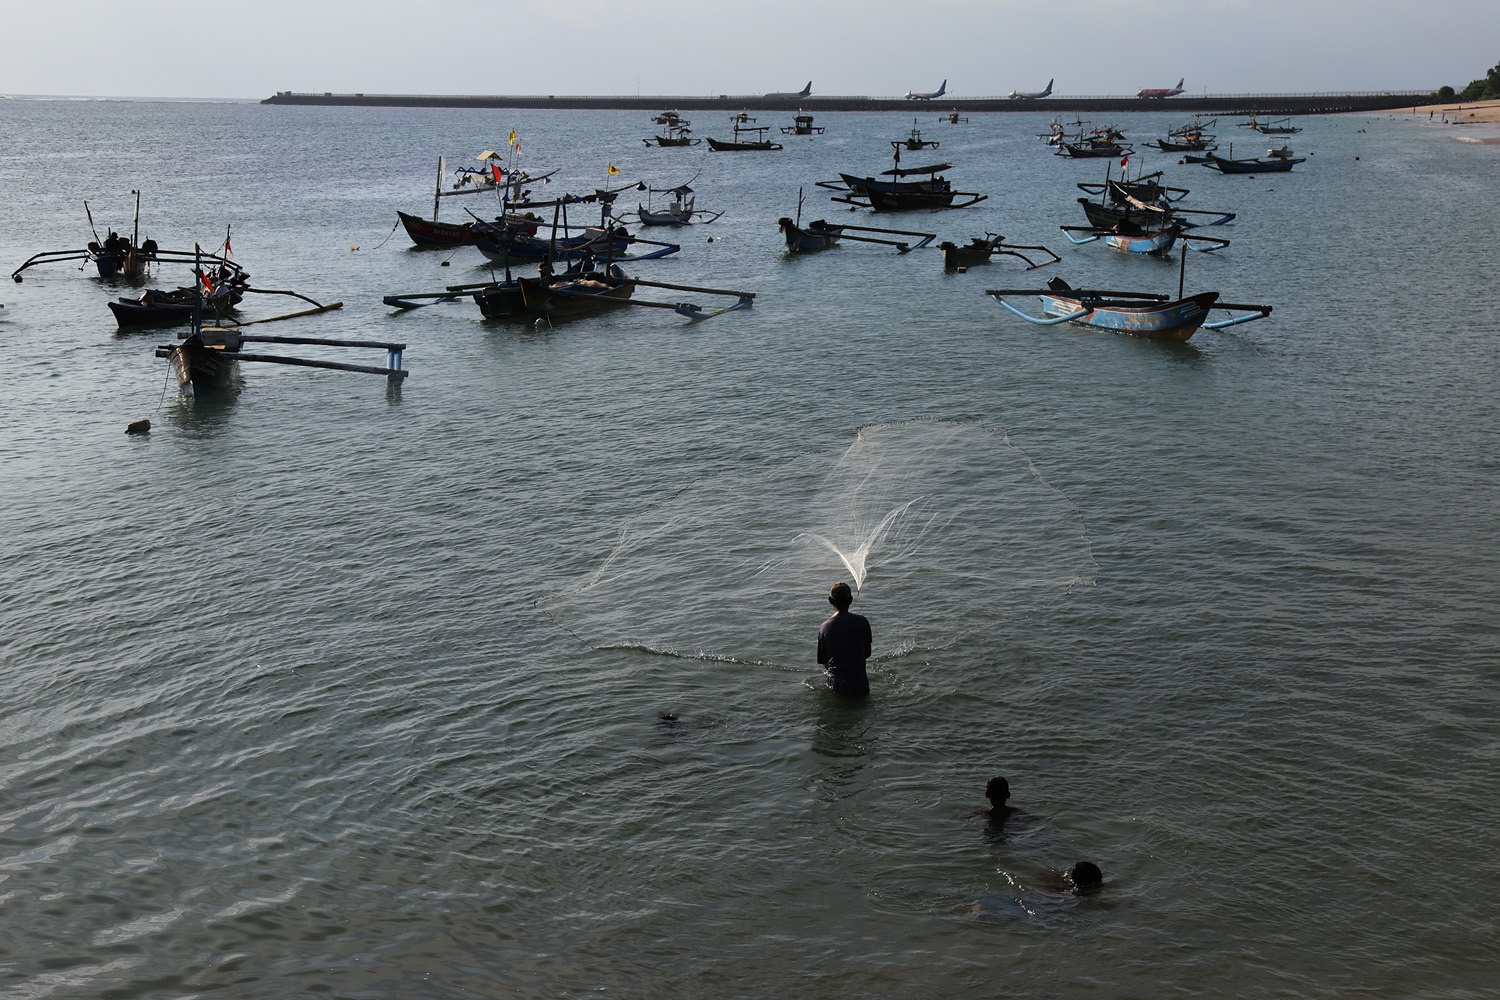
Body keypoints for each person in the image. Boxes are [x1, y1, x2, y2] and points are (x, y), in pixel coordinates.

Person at [817, 582, 871, 696]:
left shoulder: (824, 627)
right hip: (860, 684)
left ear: (830, 601)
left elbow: (824, 661)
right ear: (851, 600)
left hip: (837, 687)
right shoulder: (862, 621)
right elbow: (867, 653)